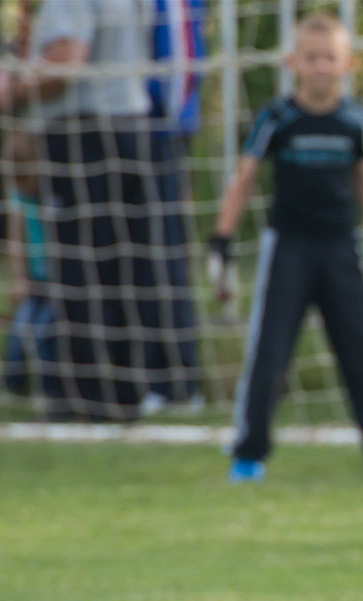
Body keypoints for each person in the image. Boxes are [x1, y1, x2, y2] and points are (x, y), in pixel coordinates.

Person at [210, 12, 363, 483]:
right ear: (293, 62)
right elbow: (245, 178)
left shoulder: (355, 121)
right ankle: (249, 453)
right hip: (287, 247)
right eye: (310, 57)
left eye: (329, 57)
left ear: (346, 64)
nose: (319, 66)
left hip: (341, 248)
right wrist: (222, 240)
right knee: (269, 353)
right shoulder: (277, 117)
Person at [0, 0, 157, 420]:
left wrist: (12, 90)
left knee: (79, 271)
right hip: (128, 128)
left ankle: (82, 399)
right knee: (119, 269)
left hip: (85, 137)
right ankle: (123, 394)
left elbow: (67, 62)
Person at [138, 0, 208, 414]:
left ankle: (174, 382)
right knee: (130, 257)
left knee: (161, 257)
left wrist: (166, 121)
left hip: (157, 130)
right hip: (125, 123)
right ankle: (138, 375)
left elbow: (183, 56)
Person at [2, 130, 56, 398]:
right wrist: (19, 278)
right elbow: (16, 239)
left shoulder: (55, 194)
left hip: (58, 281)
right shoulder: (19, 197)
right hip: (34, 279)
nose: (23, 184)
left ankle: (48, 388)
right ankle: (12, 387)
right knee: (21, 329)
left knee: (45, 332)